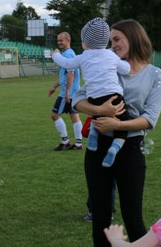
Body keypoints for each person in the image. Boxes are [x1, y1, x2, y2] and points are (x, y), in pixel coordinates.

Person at [73, 18, 161, 247]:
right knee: (100, 215)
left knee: (133, 216)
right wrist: (99, 108)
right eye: (111, 40)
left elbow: (150, 118)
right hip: (98, 148)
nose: (112, 45)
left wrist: (117, 123)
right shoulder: (103, 63)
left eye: (117, 39)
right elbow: (77, 99)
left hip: (131, 148)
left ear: (134, 38)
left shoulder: (155, 75)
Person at [54, 17, 132, 167]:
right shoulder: (111, 55)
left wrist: (55, 55)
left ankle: (93, 138)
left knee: (97, 115)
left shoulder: (83, 57)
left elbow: (66, 63)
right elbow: (126, 70)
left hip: (94, 98)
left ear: (86, 42)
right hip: (114, 96)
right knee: (124, 124)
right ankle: (114, 149)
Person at [48, 32, 83, 151]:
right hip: (73, 91)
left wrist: (67, 92)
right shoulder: (69, 53)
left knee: (54, 115)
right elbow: (64, 76)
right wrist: (54, 86)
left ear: (68, 40)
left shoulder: (67, 54)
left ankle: (65, 141)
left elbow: (71, 74)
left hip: (68, 93)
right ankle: (78, 144)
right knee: (74, 117)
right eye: (58, 41)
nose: (59, 43)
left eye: (61, 40)